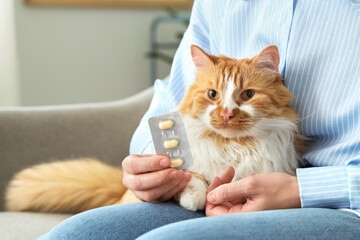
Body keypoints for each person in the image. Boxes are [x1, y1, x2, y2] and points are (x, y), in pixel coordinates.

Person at [39, 1, 360, 239]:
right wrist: (158, 163)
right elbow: (172, 101)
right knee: (74, 235)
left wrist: (303, 189)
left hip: (341, 205)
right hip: (206, 184)